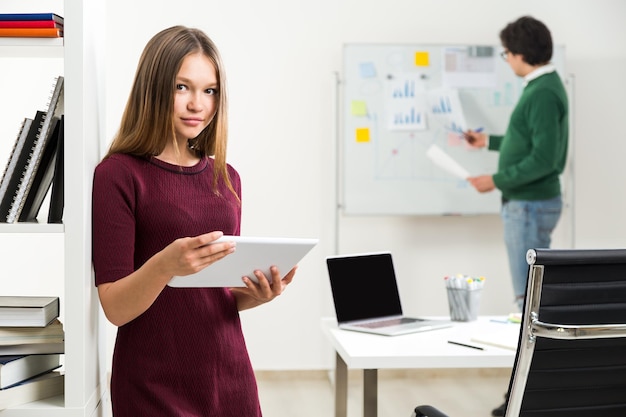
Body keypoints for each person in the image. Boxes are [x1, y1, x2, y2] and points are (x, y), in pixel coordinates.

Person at [92, 25, 296, 417]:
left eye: (209, 91)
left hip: (229, 375)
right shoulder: (118, 175)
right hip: (151, 384)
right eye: (182, 87)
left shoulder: (227, 179)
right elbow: (115, 307)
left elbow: (216, 297)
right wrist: (166, 264)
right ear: (154, 89)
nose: (197, 104)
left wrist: (258, 293)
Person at [464, 16, 568, 417]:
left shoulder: (542, 92)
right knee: (530, 301)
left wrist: (497, 179)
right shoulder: (541, 88)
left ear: (522, 54)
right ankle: (524, 396)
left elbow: (544, 159)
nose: (507, 60)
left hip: (527, 204)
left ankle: (524, 399)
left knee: (529, 304)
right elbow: (528, 140)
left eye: (507, 54)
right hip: (525, 203)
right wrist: (488, 142)